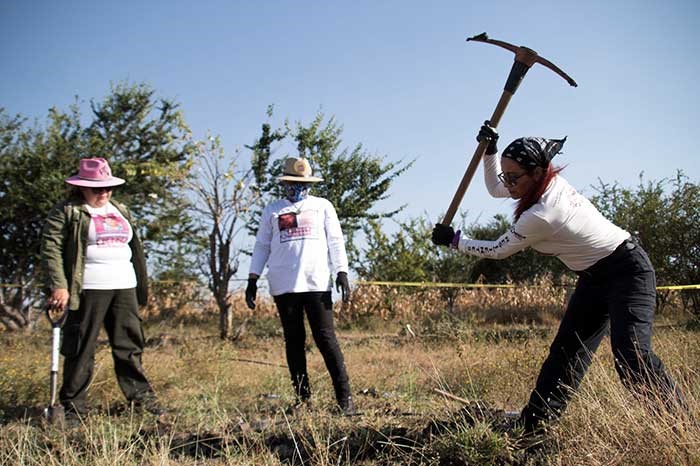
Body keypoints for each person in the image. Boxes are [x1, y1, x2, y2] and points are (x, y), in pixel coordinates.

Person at [431, 123, 684, 435]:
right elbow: (495, 188)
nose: (507, 184)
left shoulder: (544, 213)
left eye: (513, 177)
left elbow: (498, 249)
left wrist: (455, 241)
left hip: (627, 271)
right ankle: (533, 428)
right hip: (593, 279)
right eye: (506, 175)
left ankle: (680, 422)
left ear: (537, 172)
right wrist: (490, 152)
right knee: (566, 353)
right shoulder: (539, 184)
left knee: (631, 355)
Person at [41, 157, 161, 421]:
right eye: (97, 188)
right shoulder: (68, 211)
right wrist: (59, 285)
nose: (104, 192)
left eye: (108, 187)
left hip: (124, 285)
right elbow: (51, 248)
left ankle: (142, 401)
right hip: (88, 287)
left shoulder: (120, 209)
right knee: (81, 347)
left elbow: (133, 247)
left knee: (129, 345)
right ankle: (73, 409)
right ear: (82, 187)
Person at [246, 157, 356, 415]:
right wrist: (252, 278)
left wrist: (342, 271)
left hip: (316, 282)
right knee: (294, 341)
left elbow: (336, 240)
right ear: (284, 183)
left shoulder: (322, 206)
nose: (297, 188)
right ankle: (303, 400)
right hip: (284, 285)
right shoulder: (273, 210)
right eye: (292, 183)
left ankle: (345, 400)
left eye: (303, 183)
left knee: (326, 338)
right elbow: (262, 245)